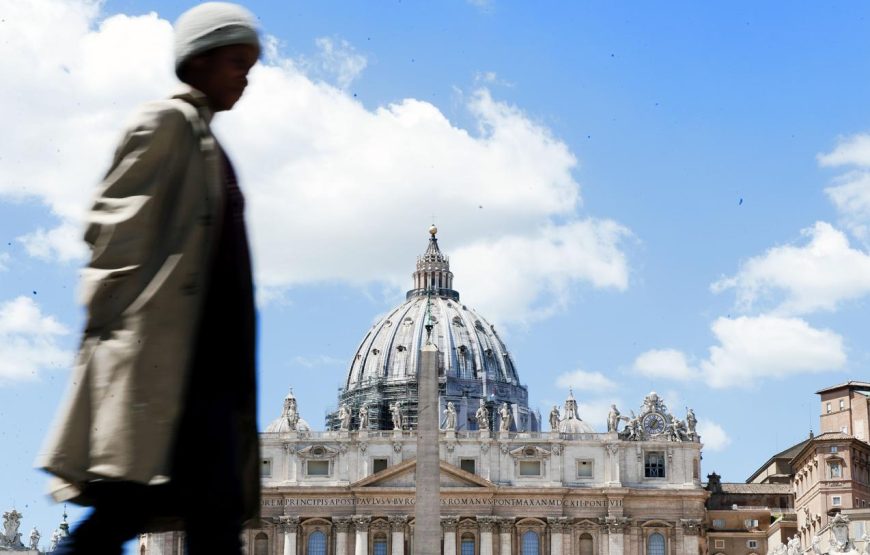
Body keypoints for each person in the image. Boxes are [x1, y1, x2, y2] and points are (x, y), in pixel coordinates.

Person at [36, 3, 262, 554]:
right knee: (122, 518)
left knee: (211, 526)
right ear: (200, 61)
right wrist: (124, 337)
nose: (246, 76)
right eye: (236, 61)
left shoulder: (210, 142)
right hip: (169, 372)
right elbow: (110, 234)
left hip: (210, 379)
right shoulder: (166, 123)